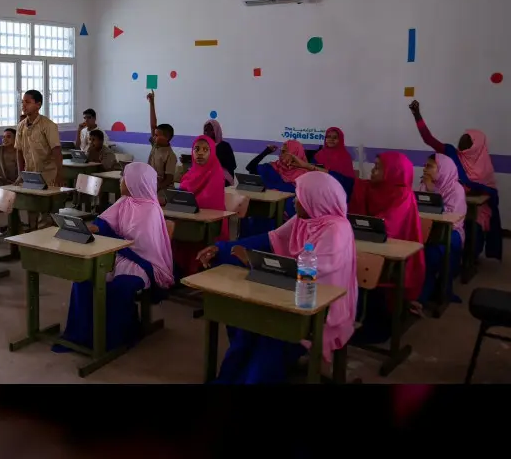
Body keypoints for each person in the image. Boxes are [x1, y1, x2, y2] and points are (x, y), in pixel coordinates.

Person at [195, 171, 358, 384]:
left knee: (266, 347)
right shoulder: (304, 219)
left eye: (300, 196)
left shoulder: (337, 231)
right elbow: (270, 239)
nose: (295, 200)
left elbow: (307, 277)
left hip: (317, 311)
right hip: (284, 297)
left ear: (315, 200)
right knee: (245, 332)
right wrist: (222, 248)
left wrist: (252, 262)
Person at [292, 150, 425, 342]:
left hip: (391, 257)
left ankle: (378, 328)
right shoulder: (367, 187)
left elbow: (388, 227)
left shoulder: (403, 194)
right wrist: (308, 167)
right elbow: (343, 180)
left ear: (393, 172)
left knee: (374, 288)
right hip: (363, 246)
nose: (373, 170)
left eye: (379, 167)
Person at [53, 163, 174, 353]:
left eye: (124, 177)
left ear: (136, 181)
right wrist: (91, 228)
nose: (121, 181)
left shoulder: (151, 210)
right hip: (116, 256)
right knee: (84, 280)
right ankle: (82, 335)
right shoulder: (123, 202)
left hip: (141, 265)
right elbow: (104, 223)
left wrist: (109, 235)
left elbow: (140, 247)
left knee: (120, 288)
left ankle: (113, 339)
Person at [408, 100, 502, 260]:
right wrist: (417, 116)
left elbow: (487, 191)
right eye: (462, 142)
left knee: (474, 228)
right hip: (447, 198)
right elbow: (429, 139)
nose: (463, 146)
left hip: (475, 207)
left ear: (478, 146)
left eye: (468, 143)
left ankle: (466, 258)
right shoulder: (452, 153)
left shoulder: (485, 165)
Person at [414, 154, 466, 311]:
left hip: (451, 231)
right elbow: (416, 206)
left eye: (429, 166)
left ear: (443, 169)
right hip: (428, 228)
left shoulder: (456, 189)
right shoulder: (424, 184)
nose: (425, 169)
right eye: (425, 165)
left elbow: (451, 217)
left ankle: (424, 297)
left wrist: (432, 190)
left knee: (432, 253)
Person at [172, 135, 228, 278]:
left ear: (212, 152)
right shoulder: (190, 173)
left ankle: (194, 272)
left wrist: (184, 202)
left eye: (205, 149)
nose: (200, 153)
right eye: (197, 149)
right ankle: (176, 270)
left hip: (209, 222)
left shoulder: (216, 172)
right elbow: (182, 194)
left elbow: (208, 201)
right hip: (188, 217)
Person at [245, 139, 309, 221]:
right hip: (264, 210)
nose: (281, 154)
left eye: (285, 152)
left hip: (288, 219)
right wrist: (266, 152)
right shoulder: (274, 167)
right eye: (281, 151)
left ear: (295, 153)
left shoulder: (304, 175)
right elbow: (250, 168)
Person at [14, 89, 64, 186]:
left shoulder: (48, 125)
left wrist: (59, 174)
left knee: (47, 200)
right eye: (22, 102)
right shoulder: (20, 126)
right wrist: (20, 174)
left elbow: (57, 151)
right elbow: (19, 151)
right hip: (30, 175)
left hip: (48, 175)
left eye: (27, 102)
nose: (23, 105)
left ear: (38, 105)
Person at [146, 91, 177, 204]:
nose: (154, 137)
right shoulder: (155, 146)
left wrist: (156, 188)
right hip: (152, 186)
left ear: (167, 138)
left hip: (164, 190)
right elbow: (153, 125)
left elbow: (168, 179)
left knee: (150, 202)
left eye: (157, 135)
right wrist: (152, 103)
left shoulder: (170, 155)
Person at [203, 119, 237, 186]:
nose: (207, 133)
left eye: (211, 130)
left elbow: (232, 165)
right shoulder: (203, 146)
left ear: (216, 131)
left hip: (222, 177)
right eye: (205, 130)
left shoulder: (224, 146)